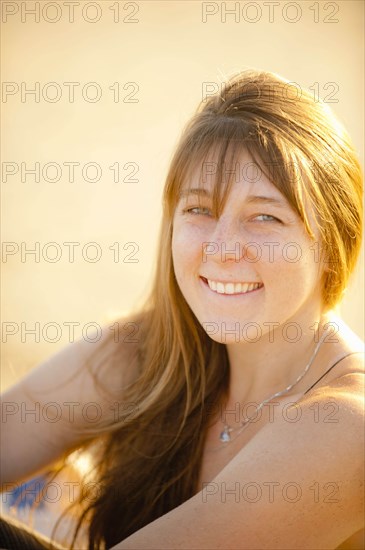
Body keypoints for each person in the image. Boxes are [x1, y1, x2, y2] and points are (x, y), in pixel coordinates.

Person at [1, 69, 364, 550]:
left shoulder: (345, 427)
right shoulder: (155, 352)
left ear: (333, 240)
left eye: (265, 216)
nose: (222, 248)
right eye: (200, 210)